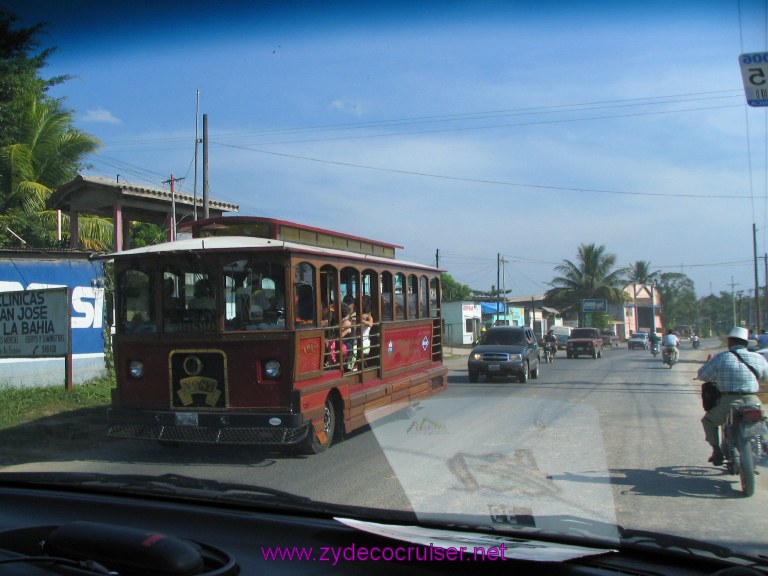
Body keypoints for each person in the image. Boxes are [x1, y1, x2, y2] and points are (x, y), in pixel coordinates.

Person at [697, 326, 768, 465]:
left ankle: (717, 451)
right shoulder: (758, 358)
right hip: (752, 400)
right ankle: (765, 444)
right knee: (764, 419)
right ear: (746, 343)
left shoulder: (722, 358)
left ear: (730, 343)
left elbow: (703, 376)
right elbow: (765, 378)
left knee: (709, 421)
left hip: (729, 401)